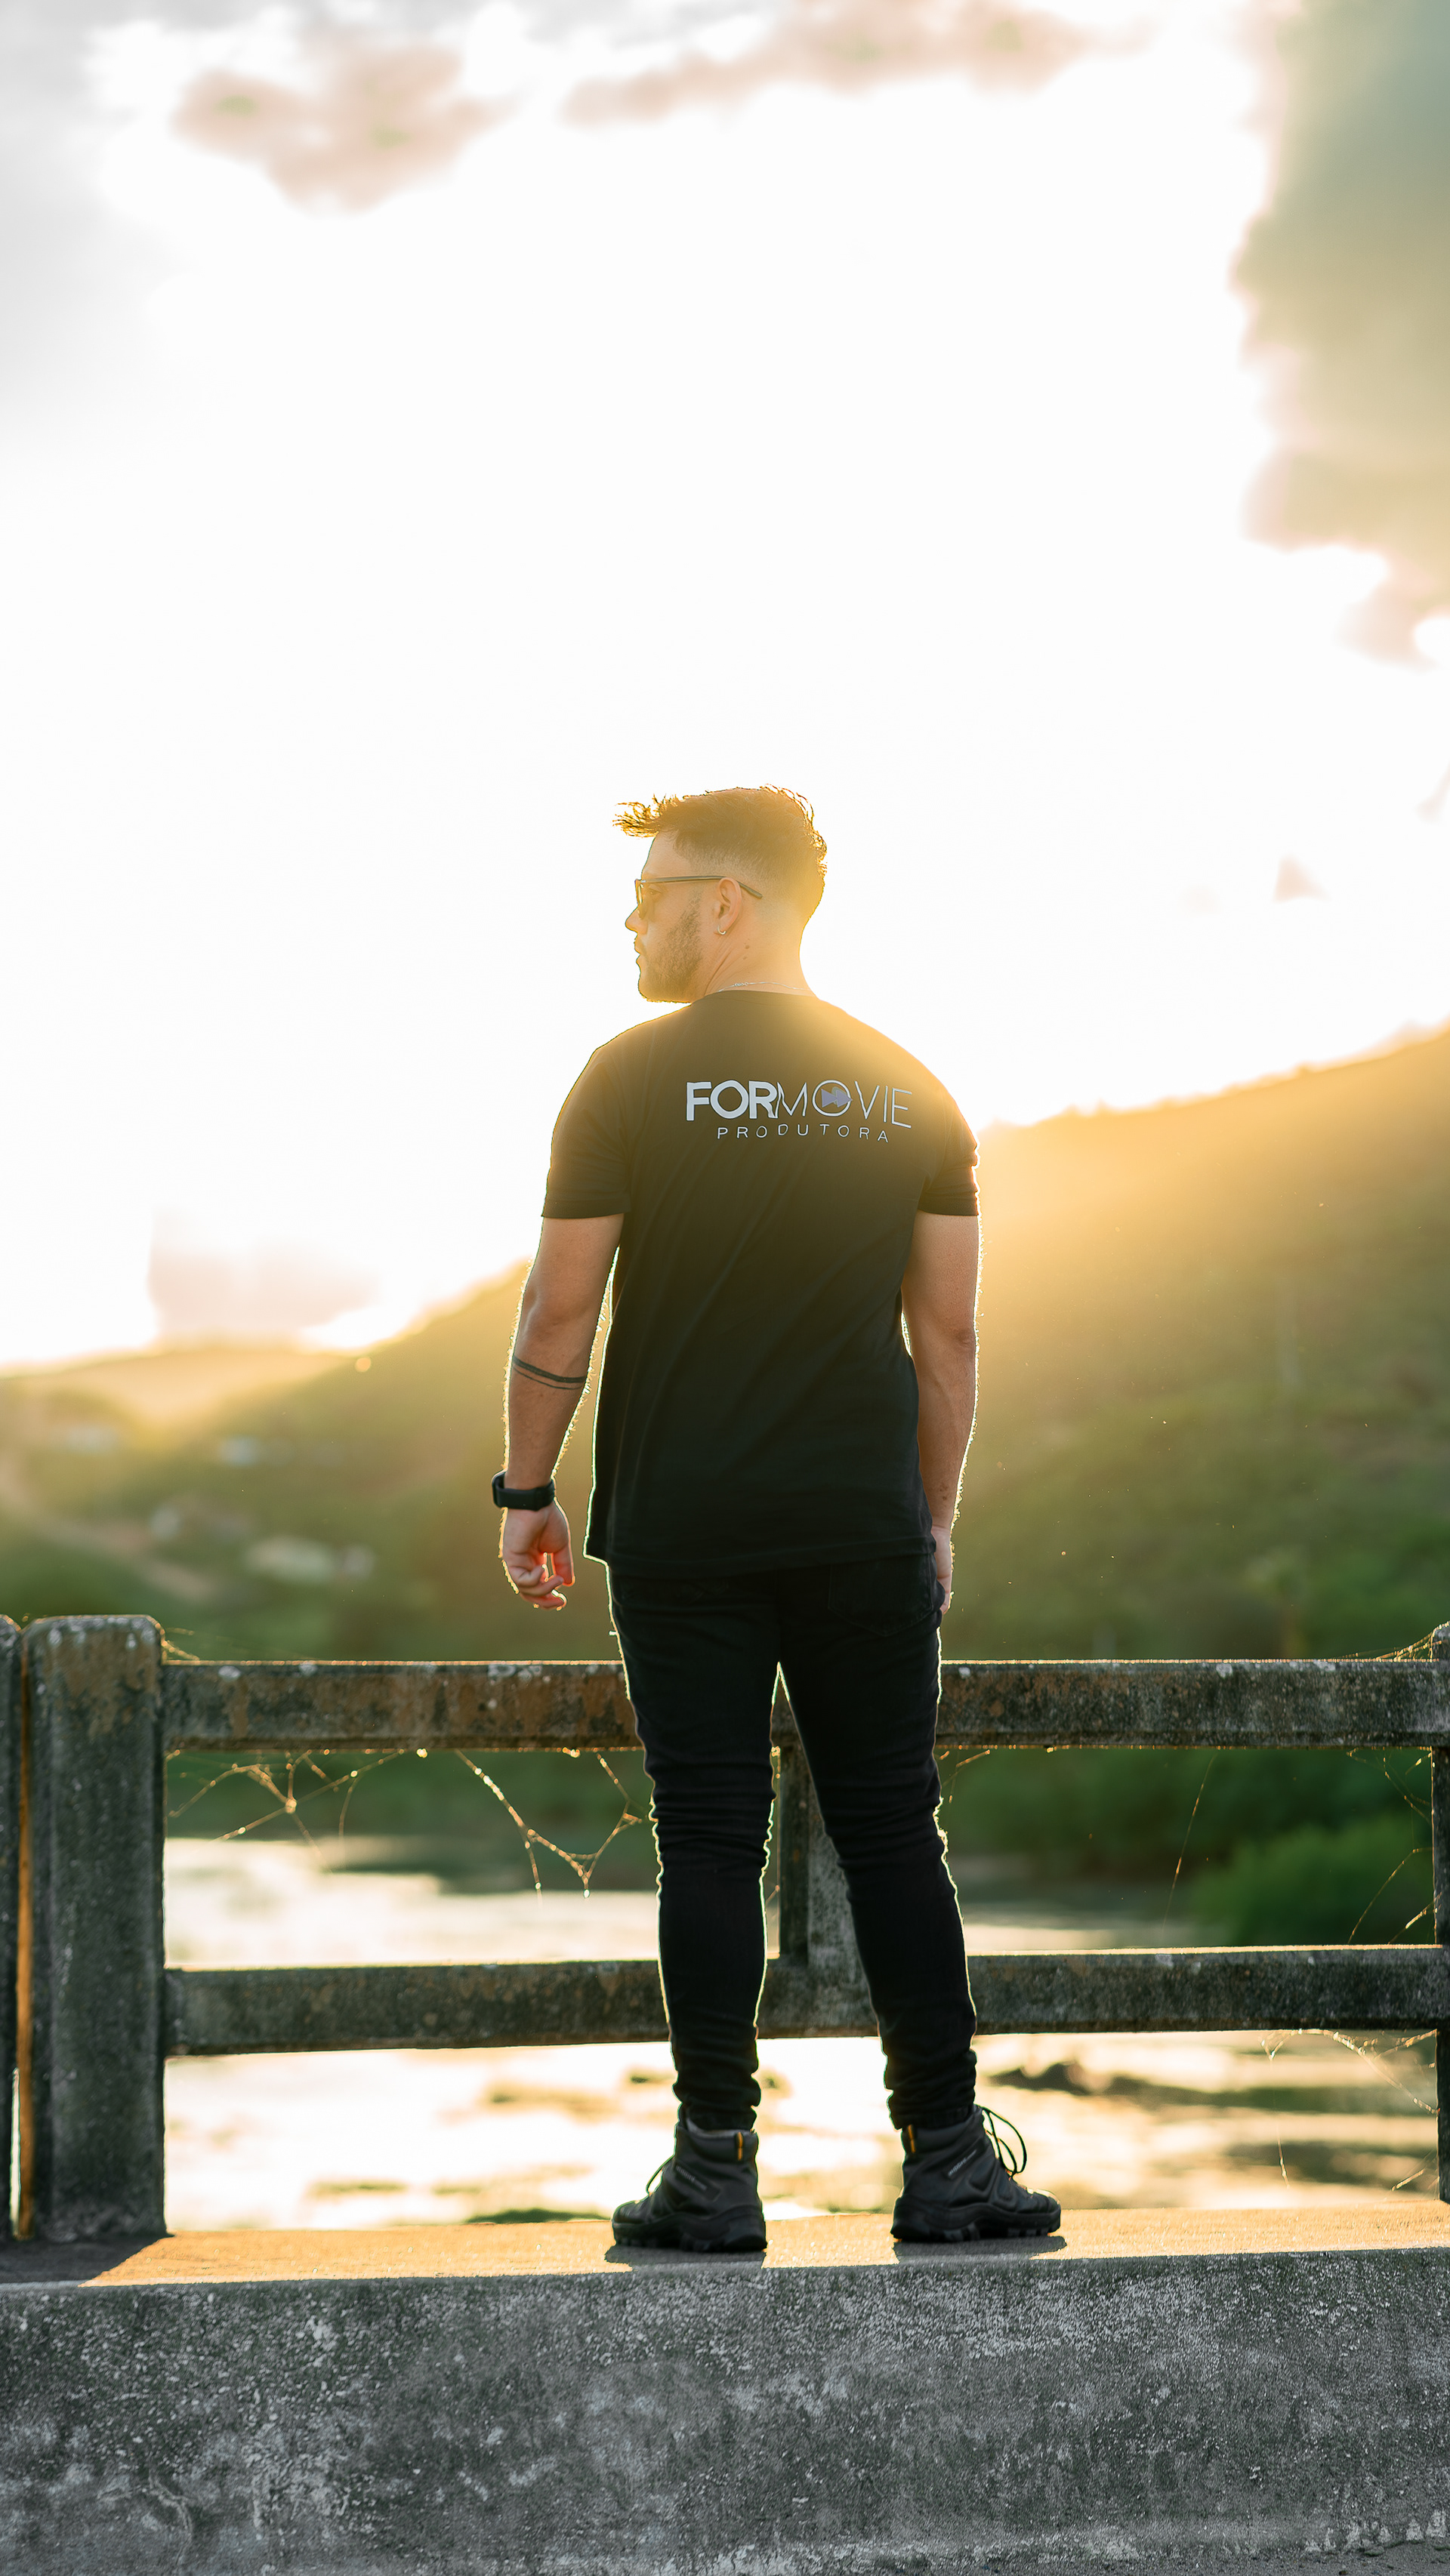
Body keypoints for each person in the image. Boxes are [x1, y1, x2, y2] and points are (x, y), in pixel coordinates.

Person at [494, 784, 1060, 2250]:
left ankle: (715, 2170)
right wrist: (931, 1519)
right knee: (894, 1833)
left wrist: (527, 1488)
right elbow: (950, 1339)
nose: (631, 920)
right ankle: (949, 2161)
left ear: (726, 904)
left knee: (705, 1839)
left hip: (684, 1524)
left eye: (652, 895)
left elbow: (560, 1310)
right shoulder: (907, 1084)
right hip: (864, 1519)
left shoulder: (626, 1078)